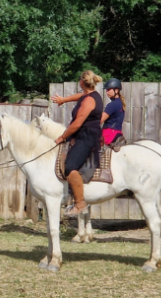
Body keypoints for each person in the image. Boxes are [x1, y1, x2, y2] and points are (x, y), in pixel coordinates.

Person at [50, 70, 104, 216]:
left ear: (81, 82)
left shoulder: (89, 101)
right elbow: (80, 96)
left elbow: (77, 124)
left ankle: (80, 204)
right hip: (84, 135)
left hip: (87, 138)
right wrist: (63, 100)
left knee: (70, 167)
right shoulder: (91, 95)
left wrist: (62, 137)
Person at [101, 78, 125, 145]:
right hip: (118, 132)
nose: (106, 92)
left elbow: (100, 120)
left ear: (116, 90)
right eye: (106, 90)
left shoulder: (112, 105)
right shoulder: (120, 103)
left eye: (109, 89)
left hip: (109, 134)